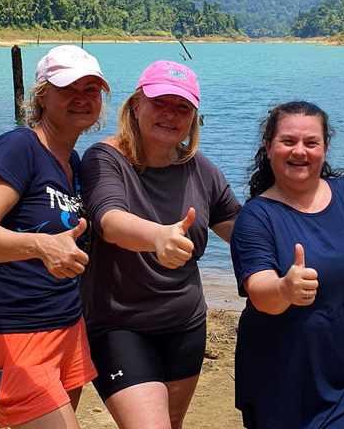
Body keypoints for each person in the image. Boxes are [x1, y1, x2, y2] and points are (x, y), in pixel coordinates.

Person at [79, 60, 240, 429]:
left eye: (181, 106)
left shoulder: (202, 170)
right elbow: (108, 219)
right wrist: (157, 237)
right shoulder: (106, 158)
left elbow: (242, 230)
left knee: (171, 422)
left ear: (193, 118)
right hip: (118, 324)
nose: (170, 114)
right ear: (136, 105)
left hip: (184, 325)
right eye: (159, 102)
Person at [0, 45, 110, 428]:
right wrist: (39, 245)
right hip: (10, 334)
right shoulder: (16, 148)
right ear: (41, 95)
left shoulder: (72, 161)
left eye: (91, 89)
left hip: (65, 329)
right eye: (68, 88)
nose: (81, 98)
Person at [230, 101, 344, 429]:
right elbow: (260, 292)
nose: (299, 151)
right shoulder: (256, 217)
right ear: (268, 146)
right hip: (286, 380)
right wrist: (285, 288)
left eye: (311, 142)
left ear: (325, 148)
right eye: (288, 141)